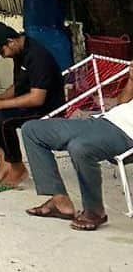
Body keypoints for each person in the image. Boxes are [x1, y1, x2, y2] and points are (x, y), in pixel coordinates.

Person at [22, 63, 133, 231]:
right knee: (32, 130)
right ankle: (60, 202)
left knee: (80, 147)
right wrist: (131, 80)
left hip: (127, 134)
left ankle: (95, 210)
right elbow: (122, 103)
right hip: (104, 120)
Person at [0, 22, 65, 191]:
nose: (3, 56)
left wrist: (1, 105)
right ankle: (5, 160)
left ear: (10, 42)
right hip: (27, 103)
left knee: (1, 118)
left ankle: (18, 168)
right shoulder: (18, 53)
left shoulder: (37, 56)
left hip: (46, 108)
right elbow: (18, 87)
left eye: (2, 51)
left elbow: (37, 98)